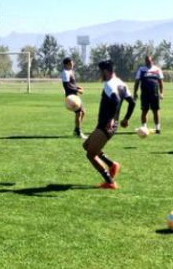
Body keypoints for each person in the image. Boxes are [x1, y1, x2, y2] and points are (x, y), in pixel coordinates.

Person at [82, 60, 135, 189]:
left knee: (90, 154)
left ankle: (110, 181)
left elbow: (116, 100)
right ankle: (112, 165)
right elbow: (132, 102)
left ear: (106, 71)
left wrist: (111, 119)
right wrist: (125, 119)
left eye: (101, 72)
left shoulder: (109, 85)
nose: (101, 75)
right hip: (105, 124)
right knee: (86, 145)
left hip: (106, 126)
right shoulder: (122, 84)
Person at [133, 55, 164, 134]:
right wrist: (135, 92)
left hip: (155, 93)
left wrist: (161, 93)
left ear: (152, 61)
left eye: (149, 61)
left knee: (155, 110)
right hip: (145, 94)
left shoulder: (157, 69)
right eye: (146, 61)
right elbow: (137, 82)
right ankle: (144, 128)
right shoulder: (141, 69)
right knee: (144, 111)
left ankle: (158, 128)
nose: (148, 63)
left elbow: (160, 82)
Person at [61, 57, 86, 139]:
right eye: (71, 64)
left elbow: (72, 84)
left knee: (83, 112)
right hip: (71, 97)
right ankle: (78, 132)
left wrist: (77, 87)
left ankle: (76, 129)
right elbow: (67, 86)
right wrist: (78, 90)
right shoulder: (65, 73)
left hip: (75, 95)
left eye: (73, 63)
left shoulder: (70, 71)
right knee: (79, 113)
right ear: (66, 64)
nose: (73, 65)